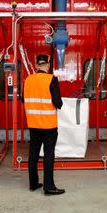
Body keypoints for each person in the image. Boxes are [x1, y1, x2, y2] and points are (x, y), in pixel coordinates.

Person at [23, 54, 64, 195]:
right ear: (47, 65)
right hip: (48, 126)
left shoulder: (28, 79)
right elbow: (58, 103)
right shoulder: (51, 79)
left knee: (33, 154)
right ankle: (49, 187)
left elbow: (24, 100)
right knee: (48, 155)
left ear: (36, 65)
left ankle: (33, 183)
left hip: (33, 124)